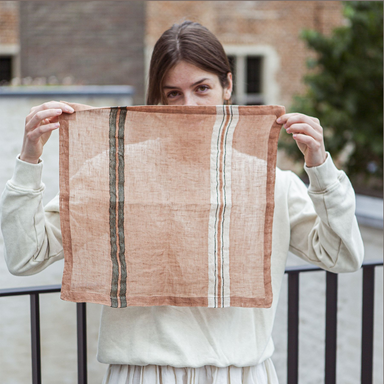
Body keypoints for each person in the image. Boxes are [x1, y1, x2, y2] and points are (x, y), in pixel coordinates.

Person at [1, 21, 363, 384]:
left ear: (228, 87)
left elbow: (342, 256)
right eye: (173, 93)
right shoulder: (115, 174)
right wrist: (29, 161)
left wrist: (321, 168)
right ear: (158, 98)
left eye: (201, 88)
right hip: (143, 373)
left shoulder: (270, 183)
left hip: (243, 374)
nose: (189, 106)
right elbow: (26, 256)